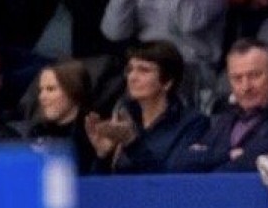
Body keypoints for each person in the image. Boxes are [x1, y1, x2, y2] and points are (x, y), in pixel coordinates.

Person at [168, 39, 268, 171]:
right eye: (237, 78)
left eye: (254, 75)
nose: (245, 87)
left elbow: (255, 164)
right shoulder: (224, 122)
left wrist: (207, 162)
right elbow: (180, 163)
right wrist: (228, 154)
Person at [85, 42, 209, 174]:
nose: (132, 77)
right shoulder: (126, 122)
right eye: (130, 70)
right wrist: (103, 156)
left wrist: (132, 143)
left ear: (167, 82)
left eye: (144, 70)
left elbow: (172, 178)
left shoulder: (192, 124)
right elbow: (103, 185)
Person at [25, 58, 98, 173]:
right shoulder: (36, 133)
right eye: (41, 90)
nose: (42, 97)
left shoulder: (93, 134)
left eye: (50, 89)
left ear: (73, 90)